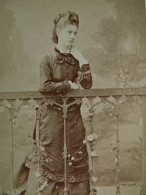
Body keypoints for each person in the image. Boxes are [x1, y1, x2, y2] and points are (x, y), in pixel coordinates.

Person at [15, 11, 93, 195]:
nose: (73, 37)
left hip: (72, 117)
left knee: (75, 157)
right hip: (51, 117)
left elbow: (88, 84)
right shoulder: (47, 59)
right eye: (69, 32)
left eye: (75, 33)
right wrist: (67, 85)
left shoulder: (75, 60)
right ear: (58, 32)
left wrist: (83, 60)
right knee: (53, 158)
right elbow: (43, 86)